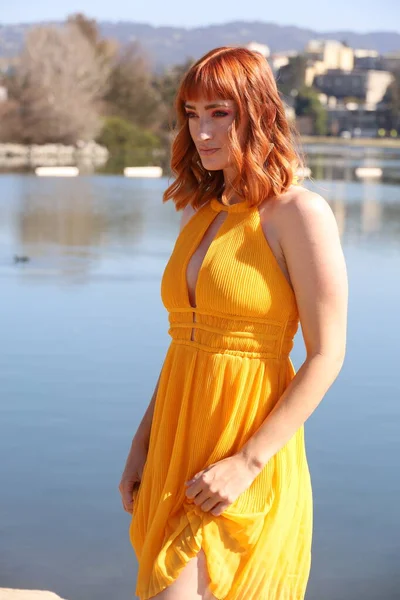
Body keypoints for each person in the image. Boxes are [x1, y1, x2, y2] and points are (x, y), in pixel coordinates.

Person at [119, 46, 348, 600]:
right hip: (176, 443)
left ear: (257, 112)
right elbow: (187, 342)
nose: (201, 131)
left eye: (218, 112)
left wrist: (247, 462)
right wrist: (142, 441)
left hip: (246, 448)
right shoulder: (202, 213)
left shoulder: (299, 213)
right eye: (192, 114)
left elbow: (327, 355)